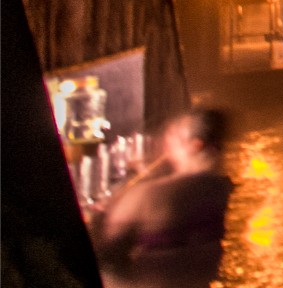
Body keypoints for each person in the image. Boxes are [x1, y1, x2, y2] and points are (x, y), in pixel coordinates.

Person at [89, 110, 233, 288]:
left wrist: (102, 215)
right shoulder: (219, 187)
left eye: (174, 135)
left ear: (195, 145)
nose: (167, 141)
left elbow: (106, 248)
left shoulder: (148, 195)